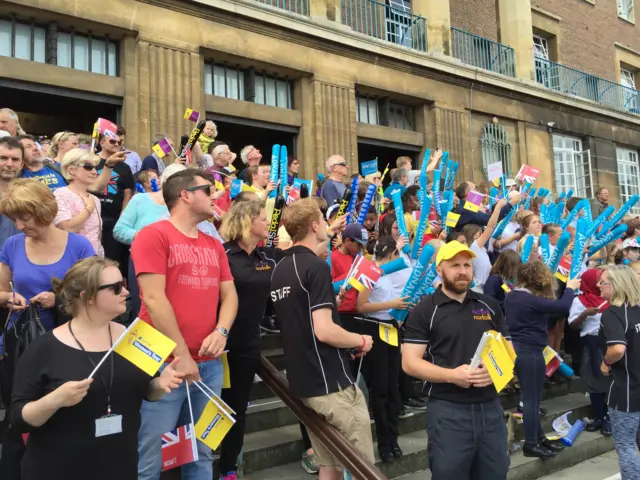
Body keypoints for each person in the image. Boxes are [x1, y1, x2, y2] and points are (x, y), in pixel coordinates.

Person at [9, 257, 184, 480]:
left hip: (120, 466)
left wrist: (159, 384)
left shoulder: (132, 337)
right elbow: (18, 418)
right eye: (116, 288)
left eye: (124, 285)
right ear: (88, 296)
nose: (126, 293)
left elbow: (145, 392)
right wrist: (55, 399)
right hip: (59, 469)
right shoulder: (44, 348)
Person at [133, 169, 238, 480]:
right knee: (150, 456)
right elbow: (153, 299)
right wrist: (183, 356)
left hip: (208, 362)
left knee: (202, 450)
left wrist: (221, 331)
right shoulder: (153, 235)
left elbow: (230, 294)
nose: (215, 196)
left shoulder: (213, 243)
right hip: (163, 363)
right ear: (186, 195)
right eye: (208, 189)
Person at [270, 198, 374, 480]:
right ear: (315, 225)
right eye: (323, 221)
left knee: (329, 465)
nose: (327, 226)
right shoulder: (315, 267)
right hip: (331, 385)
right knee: (363, 467)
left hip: (304, 381)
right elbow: (324, 330)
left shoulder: (279, 269)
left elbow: (303, 322)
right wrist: (360, 340)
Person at [402, 240, 511, 479]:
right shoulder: (425, 310)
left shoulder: (490, 305)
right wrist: (453, 376)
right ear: (439, 269)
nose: (462, 271)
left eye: (467, 265)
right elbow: (410, 362)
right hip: (448, 412)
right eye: (454, 265)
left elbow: (509, 352)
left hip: (490, 409)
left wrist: (495, 371)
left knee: (495, 474)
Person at [217, 199, 284, 479]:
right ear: (246, 222)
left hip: (248, 344)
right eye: (261, 217)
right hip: (218, 344)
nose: (266, 222)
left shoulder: (265, 257)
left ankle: (228, 468)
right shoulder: (223, 254)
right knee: (214, 406)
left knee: (237, 408)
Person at [505, 261, 579, 459]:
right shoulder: (526, 299)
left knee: (534, 399)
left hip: (527, 350)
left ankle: (539, 438)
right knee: (531, 400)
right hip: (528, 351)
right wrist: (570, 288)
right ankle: (531, 443)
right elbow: (563, 307)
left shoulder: (514, 296)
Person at [356, 236, 410, 463]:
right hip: (374, 328)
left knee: (393, 386)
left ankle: (393, 437)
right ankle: (384, 441)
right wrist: (392, 305)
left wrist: (399, 309)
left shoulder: (386, 274)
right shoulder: (369, 270)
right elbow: (362, 305)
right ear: (390, 255)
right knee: (380, 388)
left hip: (391, 328)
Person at [598, 265, 640, 478]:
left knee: (626, 445)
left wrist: (606, 362)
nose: (599, 286)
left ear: (615, 285)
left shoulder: (613, 313)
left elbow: (617, 348)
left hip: (626, 390)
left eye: (603, 282)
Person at [567, 269, 611, 436]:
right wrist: (585, 314)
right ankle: (599, 417)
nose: (600, 284)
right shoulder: (580, 301)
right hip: (591, 343)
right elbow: (573, 325)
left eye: (602, 280)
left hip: (608, 342)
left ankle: (609, 419)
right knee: (593, 381)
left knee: (608, 381)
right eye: (597, 280)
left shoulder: (610, 299)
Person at [91, 133, 133, 271]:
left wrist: (123, 215)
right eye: (112, 141)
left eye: (119, 142)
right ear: (102, 142)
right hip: (92, 217)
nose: (117, 144)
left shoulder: (124, 167)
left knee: (113, 259)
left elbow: (128, 193)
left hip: (114, 219)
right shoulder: (91, 163)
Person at [54, 148, 104, 256]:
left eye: (95, 168)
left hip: (95, 259)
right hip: (72, 259)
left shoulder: (95, 199)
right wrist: (89, 208)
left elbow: (97, 234)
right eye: (88, 167)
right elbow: (66, 228)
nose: (95, 172)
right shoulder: (61, 194)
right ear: (72, 170)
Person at [462, 198, 508, 293]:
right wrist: (498, 206)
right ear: (475, 235)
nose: (483, 234)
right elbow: (491, 226)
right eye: (480, 232)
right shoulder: (474, 246)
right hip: (479, 289)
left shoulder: (479, 248)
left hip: (484, 286)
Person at [454, 182, 520, 228]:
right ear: (467, 193)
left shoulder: (465, 207)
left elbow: (488, 215)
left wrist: (495, 206)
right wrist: (511, 203)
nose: (478, 192)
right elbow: (490, 220)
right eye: (475, 189)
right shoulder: (466, 210)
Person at [0, 137, 22, 247]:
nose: (9, 164)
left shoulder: (34, 195)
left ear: (22, 165)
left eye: (15, 159)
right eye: (3, 158)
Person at [483, 249, 521, 313]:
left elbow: (509, 293)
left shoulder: (504, 280)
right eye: (515, 267)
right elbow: (489, 303)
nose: (517, 271)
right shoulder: (493, 281)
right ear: (507, 266)